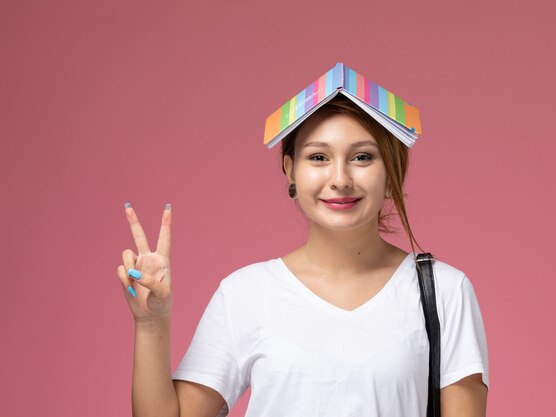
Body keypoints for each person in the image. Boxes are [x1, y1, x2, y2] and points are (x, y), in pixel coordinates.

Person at [116, 94, 489, 417]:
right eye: (318, 157)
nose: (340, 178)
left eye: (362, 157)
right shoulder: (246, 293)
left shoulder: (445, 290)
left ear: (391, 173)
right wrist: (151, 325)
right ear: (290, 169)